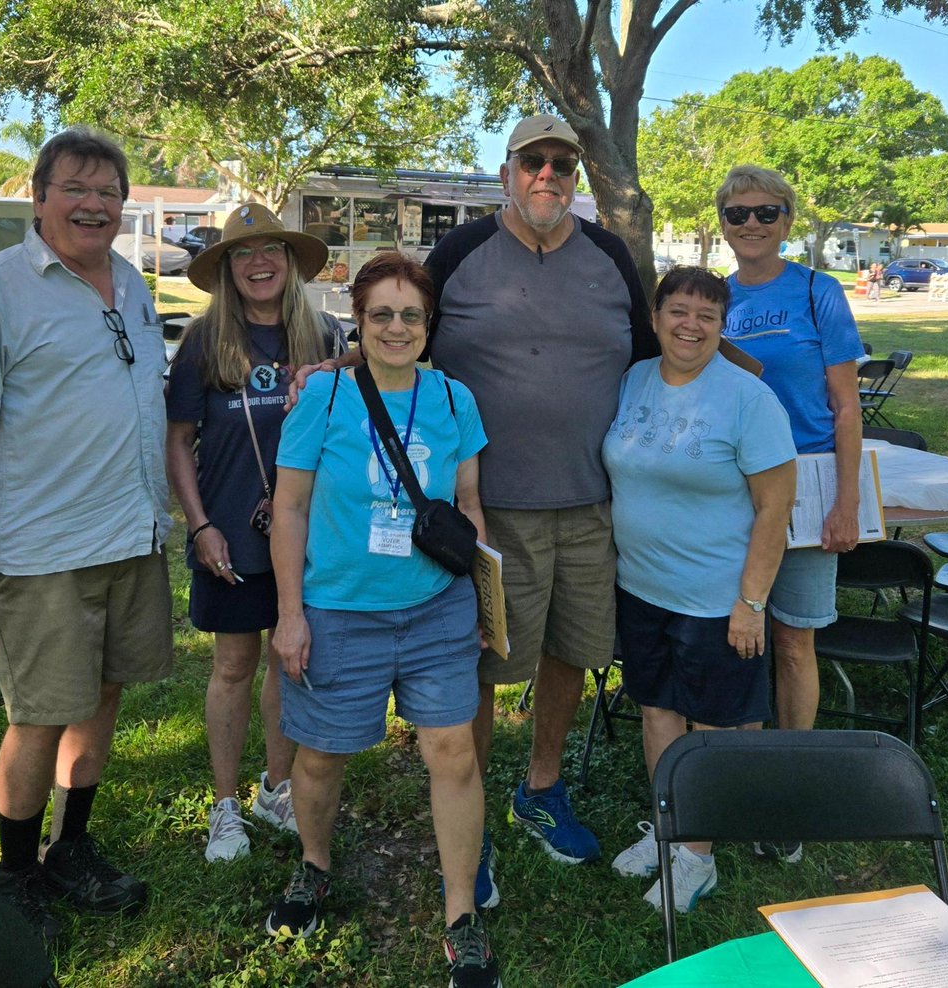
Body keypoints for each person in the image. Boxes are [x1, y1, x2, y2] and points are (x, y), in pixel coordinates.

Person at [289, 113, 656, 895]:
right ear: (507, 173)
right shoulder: (462, 252)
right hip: (487, 509)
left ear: (576, 177)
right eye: (533, 162)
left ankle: (542, 788)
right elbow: (402, 324)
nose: (548, 175)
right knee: (483, 665)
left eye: (562, 164)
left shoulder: (609, 256)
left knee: (571, 651)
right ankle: (474, 817)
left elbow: (654, 352)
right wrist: (340, 364)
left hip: (592, 502)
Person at [0, 127, 174, 939]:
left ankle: (71, 846)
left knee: (102, 697)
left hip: (131, 535)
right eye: (76, 188)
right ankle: (14, 875)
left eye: (109, 192)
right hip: (42, 551)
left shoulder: (130, 282)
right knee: (39, 714)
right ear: (38, 197)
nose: (94, 205)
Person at [267, 251, 501, 987]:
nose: (397, 328)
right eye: (381, 315)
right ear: (358, 321)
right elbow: (290, 509)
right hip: (339, 610)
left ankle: (461, 914)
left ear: (429, 325)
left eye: (411, 316)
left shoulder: (455, 400)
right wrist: (290, 615)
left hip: (436, 610)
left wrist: (483, 604)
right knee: (319, 756)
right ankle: (313, 865)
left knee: (454, 754)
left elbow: (468, 506)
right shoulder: (325, 397)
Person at [603, 267, 796, 912]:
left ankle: (698, 858)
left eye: (706, 316)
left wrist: (751, 602)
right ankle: (671, 828)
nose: (690, 325)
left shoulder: (748, 399)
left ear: (721, 326)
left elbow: (775, 507)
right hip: (641, 587)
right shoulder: (635, 379)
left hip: (716, 599)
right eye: (678, 311)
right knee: (657, 709)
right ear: (655, 318)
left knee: (711, 725)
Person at [165, 203, 345, 862]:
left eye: (271, 249)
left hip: (306, 534)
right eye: (242, 253)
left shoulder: (323, 335)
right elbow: (178, 441)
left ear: (291, 262)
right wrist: (200, 525)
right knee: (233, 665)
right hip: (231, 531)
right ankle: (224, 806)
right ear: (226, 269)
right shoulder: (204, 341)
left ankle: (276, 788)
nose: (259, 262)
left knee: (287, 661)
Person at [717, 164, 865, 863]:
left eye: (765, 212)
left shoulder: (817, 292)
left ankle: (790, 779)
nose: (751, 224)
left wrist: (845, 502)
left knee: (794, 640)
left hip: (806, 483)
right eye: (737, 213)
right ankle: (742, 774)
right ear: (723, 223)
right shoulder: (713, 298)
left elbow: (846, 406)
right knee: (736, 633)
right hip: (730, 487)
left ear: (787, 219)